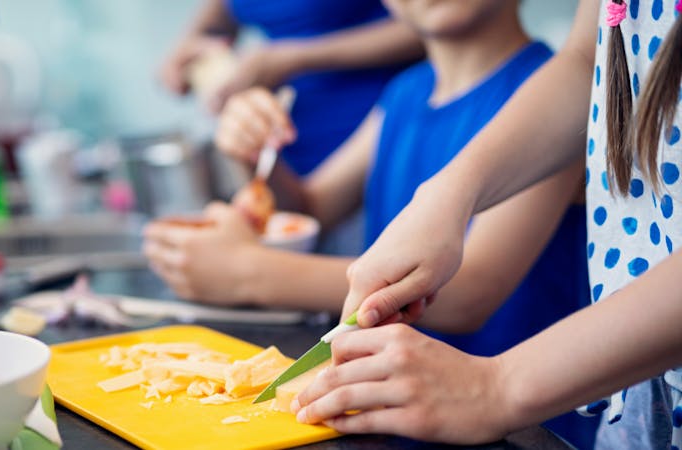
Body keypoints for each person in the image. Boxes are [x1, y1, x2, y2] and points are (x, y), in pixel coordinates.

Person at [146, 1, 598, 447]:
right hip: (392, 420)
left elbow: (469, 294)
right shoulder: (405, 92)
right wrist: (253, 153)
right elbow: (311, 208)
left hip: (524, 433)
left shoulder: (559, 101)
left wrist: (248, 273)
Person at [292, 0, 682, 448]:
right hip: (629, 388)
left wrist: (498, 386)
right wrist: (447, 196)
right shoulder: (404, 92)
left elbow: (471, 293)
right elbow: (587, 61)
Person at [160, 0, 423, 176]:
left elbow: (428, 23)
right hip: (287, 147)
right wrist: (188, 53)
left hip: (373, 134)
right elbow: (212, 26)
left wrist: (294, 58)